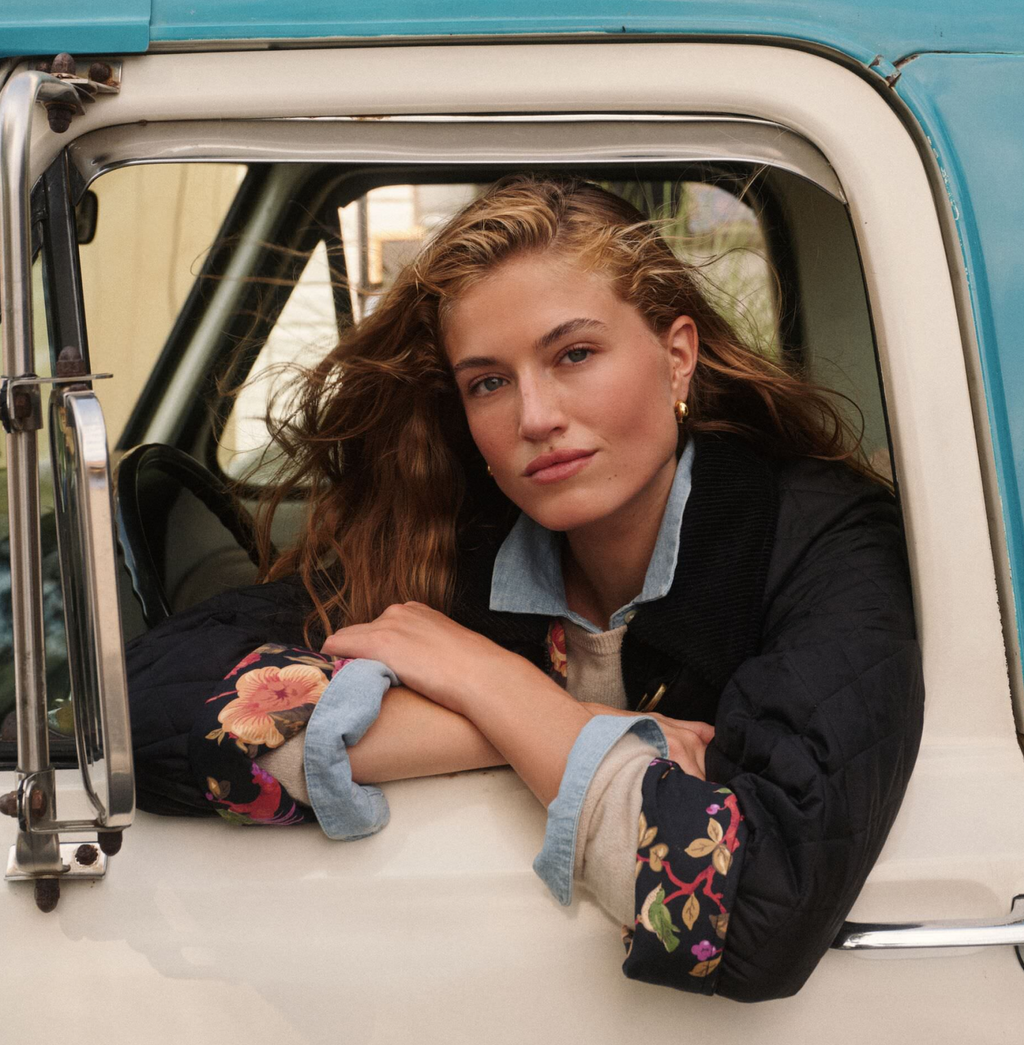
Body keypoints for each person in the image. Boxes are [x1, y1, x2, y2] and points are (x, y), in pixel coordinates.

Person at [125, 175, 923, 1002]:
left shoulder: (823, 536)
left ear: (676, 354)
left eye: (574, 354)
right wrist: (541, 723)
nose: (534, 416)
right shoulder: (457, 537)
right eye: (488, 382)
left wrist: (486, 679)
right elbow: (147, 716)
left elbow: (751, 913)